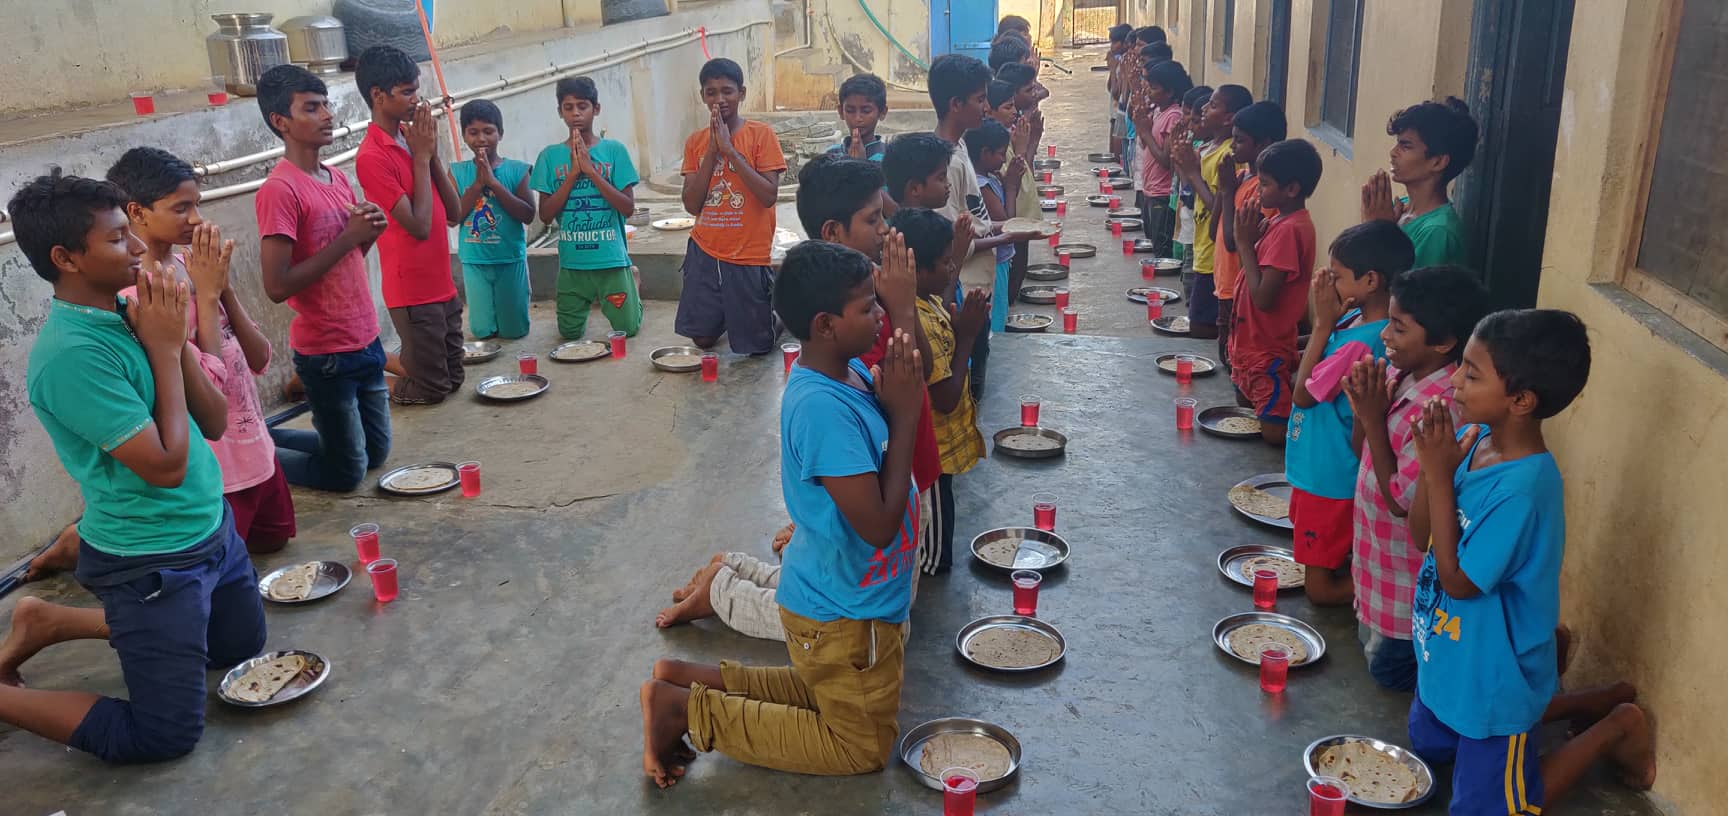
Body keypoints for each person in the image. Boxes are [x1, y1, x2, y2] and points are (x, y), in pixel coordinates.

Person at [0, 172, 265, 763]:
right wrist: (167, 350)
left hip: (211, 528)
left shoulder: (134, 306)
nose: (141, 249)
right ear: (66, 258)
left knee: (240, 648)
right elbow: (166, 467)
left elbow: (216, 421)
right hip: (150, 559)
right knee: (164, 736)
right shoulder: (71, 356)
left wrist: (175, 332)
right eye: (119, 239)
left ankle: (48, 620)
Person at [639, 240, 923, 786]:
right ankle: (686, 712)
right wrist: (904, 418)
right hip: (844, 613)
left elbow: (908, 375)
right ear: (825, 324)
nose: (879, 314)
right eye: (867, 307)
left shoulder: (848, 373)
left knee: (826, 690)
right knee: (858, 744)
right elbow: (879, 527)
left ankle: (684, 680)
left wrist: (897, 379)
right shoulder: (821, 407)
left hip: (838, 605)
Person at [1406, 309, 1656, 813]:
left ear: (1520, 401)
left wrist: (1436, 475)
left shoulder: (1524, 490)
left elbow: (1457, 583)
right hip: (1452, 657)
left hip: (1494, 679)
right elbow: (1420, 537)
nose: (1454, 380)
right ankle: (1583, 698)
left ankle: (1615, 727)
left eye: (1472, 374)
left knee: (1492, 808)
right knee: (1429, 748)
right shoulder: (1474, 442)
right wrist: (1434, 470)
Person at [107, 147, 296, 555]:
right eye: (181, 208)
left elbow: (260, 357)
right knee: (222, 568)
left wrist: (222, 287)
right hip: (215, 463)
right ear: (137, 212)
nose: (196, 219)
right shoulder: (139, 296)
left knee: (275, 539)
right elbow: (207, 388)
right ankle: (78, 545)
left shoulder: (194, 265)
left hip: (254, 447)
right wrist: (207, 298)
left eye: (197, 205)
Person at [1341, 264, 1489, 692]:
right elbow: (1362, 452)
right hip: (1374, 567)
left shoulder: (1442, 409)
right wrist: (1362, 411)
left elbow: (1401, 501)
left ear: (1443, 342)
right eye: (1388, 320)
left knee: (1390, 671)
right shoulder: (1398, 376)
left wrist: (1371, 415)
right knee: (1375, 653)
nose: (1385, 335)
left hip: (1403, 588)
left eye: (1399, 327)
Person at [253, 64, 392, 491]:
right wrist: (349, 237)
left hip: (365, 339)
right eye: (311, 108)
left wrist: (369, 233)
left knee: (377, 455)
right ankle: (253, 457)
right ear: (282, 123)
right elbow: (278, 286)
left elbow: (349, 254)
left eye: (326, 105)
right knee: (346, 473)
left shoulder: (335, 178)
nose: (327, 115)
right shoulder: (280, 190)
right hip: (326, 353)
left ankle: (263, 438)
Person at [1285, 221, 1409, 606]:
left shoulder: (1368, 341)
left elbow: (1303, 396)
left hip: (1330, 475)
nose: (1327, 285)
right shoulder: (1354, 319)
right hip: (1318, 467)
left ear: (1370, 280)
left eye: (1336, 276)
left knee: (1319, 588)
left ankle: (1390, 588)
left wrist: (1321, 324)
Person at [354, 45, 464, 405]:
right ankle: (362, 380)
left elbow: (454, 212)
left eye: (416, 90)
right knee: (432, 390)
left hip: (441, 281)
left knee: (454, 380)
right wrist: (420, 157)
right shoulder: (372, 156)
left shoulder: (412, 137)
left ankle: (377, 359)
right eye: (406, 92)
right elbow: (418, 226)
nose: (416, 99)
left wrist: (431, 154)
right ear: (378, 95)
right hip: (412, 291)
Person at [897, 208, 989, 574]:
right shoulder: (916, 321)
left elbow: (942, 291)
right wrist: (966, 334)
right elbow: (946, 400)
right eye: (946, 263)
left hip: (943, 453)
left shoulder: (927, 299)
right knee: (936, 557)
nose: (953, 270)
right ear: (917, 270)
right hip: (932, 455)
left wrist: (961, 247)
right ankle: (925, 577)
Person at [677, 58, 787, 355]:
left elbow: (768, 196)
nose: (720, 99)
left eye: (727, 91)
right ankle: (730, 312)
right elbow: (691, 204)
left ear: (742, 93)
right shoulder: (695, 142)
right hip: (705, 248)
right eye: (711, 92)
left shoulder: (760, 135)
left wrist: (730, 151)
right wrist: (713, 151)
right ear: (702, 96)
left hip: (747, 251)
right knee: (701, 340)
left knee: (758, 346)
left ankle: (778, 316)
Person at [531, 76, 643, 341]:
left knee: (627, 330)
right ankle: (595, 296)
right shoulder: (549, 156)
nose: (576, 113)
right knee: (569, 334)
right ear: (560, 112)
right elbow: (546, 215)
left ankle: (632, 282)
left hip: (611, 259)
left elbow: (627, 208)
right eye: (568, 107)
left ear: (597, 109)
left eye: (582, 106)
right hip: (573, 263)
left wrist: (591, 172)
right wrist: (572, 175)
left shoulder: (614, 151)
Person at [1229, 138, 1321, 445]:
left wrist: (1244, 243)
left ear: (1291, 189)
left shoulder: (1290, 230)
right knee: (1246, 420)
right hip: (1251, 343)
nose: (1257, 191)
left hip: (1266, 349)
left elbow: (1264, 299)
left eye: (1265, 184)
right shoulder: (1278, 221)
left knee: (1272, 433)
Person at [449, 99, 536, 341]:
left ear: (500, 133)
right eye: (473, 132)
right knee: (482, 332)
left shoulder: (517, 171)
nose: (481, 139)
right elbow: (453, 218)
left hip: (510, 259)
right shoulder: (457, 173)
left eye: (488, 131)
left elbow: (528, 214)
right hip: (474, 262)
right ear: (464, 135)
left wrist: (494, 184)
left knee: (515, 331)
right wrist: (477, 185)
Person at [1362, 97, 1479, 268]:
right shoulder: (1398, 209)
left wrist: (1379, 230)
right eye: (1397, 143)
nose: (1393, 153)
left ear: (1438, 162)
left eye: (1406, 146)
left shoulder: (1438, 232)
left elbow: (1392, 291)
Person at [1174, 84, 1251, 340]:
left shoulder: (1230, 155)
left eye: (1214, 105)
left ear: (1229, 118)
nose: (1205, 108)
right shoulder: (1210, 147)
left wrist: (1193, 173)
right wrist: (1185, 164)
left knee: (1202, 327)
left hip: (1213, 253)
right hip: (1203, 246)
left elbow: (1216, 210)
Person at [1214, 101, 1285, 372]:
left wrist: (1229, 192)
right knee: (1227, 357)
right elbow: (1214, 233)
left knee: (1237, 364)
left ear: (1264, 143)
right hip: (1224, 282)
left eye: (1240, 141)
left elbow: (1235, 241)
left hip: (1241, 286)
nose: (1232, 147)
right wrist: (1225, 189)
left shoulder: (1263, 190)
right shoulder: (1242, 177)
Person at [1129, 59, 1191, 259]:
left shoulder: (1174, 116)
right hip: (1151, 188)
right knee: (1152, 238)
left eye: (1154, 88)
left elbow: (1166, 160)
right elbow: (1148, 146)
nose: (1148, 91)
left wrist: (1146, 132)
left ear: (1170, 92)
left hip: (1162, 194)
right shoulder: (1158, 110)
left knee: (1161, 251)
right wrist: (1140, 124)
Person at [964, 120, 1019, 335]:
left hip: (1000, 257)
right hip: (994, 262)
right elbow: (1009, 223)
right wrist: (1011, 186)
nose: (1004, 159)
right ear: (985, 153)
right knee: (995, 319)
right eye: (1001, 153)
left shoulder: (990, 178)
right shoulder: (982, 186)